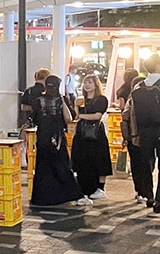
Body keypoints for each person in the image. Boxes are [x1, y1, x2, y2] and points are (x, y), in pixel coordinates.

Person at [30, 76, 83, 206]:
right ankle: (67, 195)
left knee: (43, 168)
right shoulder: (60, 100)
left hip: (42, 137)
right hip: (57, 137)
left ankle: (42, 198)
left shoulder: (37, 101)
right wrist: (62, 99)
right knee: (62, 166)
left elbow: (34, 119)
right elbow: (69, 118)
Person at [70, 74, 111, 204]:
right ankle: (84, 188)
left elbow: (97, 116)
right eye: (85, 82)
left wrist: (82, 115)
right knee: (82, 159)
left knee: (99, 158)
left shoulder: (101, 99)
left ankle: (99, 188)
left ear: (96, 85)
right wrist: (76, 106)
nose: (87, 85)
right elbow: (75, 117)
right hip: (82, 133)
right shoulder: (82, 100)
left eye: (90, 82)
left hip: (96, 134)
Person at [129, 54, 160, 211]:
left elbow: (132, 113)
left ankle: (149, 195)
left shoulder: (138, 86)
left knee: (146, 164)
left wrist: (134, 134)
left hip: (143, 130)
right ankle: (159, 199)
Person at [121, 76, 150, 205]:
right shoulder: (132, 101)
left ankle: (145, 192)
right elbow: (125, 119)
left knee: (145, 165)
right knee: (139, 166)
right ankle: (141, 191)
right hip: (134, 138)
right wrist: (127, 137)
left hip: (141, 137)